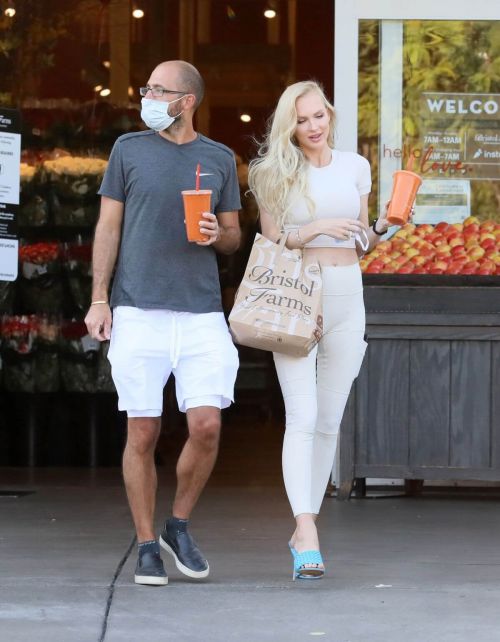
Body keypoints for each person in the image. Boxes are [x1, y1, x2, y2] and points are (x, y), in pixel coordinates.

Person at [85, 60, 241, 586]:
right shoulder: (128, 150)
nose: (147, 96)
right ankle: (147, 543)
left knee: (207, 425)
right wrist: (99, 299)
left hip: (200, 313)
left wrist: (214, 232)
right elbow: (108, 225)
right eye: (147, 87)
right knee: (143, 430)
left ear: (187, 100)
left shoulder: (219, 158)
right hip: (136, 308)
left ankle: (178, 525)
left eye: (158, 89)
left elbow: (234, 236)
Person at [248, 80, 391, 580]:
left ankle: (304, 526)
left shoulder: (356, 167)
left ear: (330, 115)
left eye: (319, 116)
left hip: (348, 291)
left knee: (329, 420)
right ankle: (305, 528)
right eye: (302, 119)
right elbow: (271, 238)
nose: (312, 127)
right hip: (297, 294)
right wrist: (312, 229)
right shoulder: (273, 172)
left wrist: (386, 227)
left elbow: (363, 243)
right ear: (290, 124)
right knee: (303, 415)